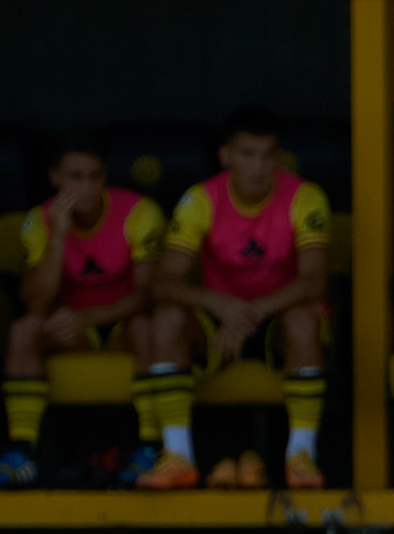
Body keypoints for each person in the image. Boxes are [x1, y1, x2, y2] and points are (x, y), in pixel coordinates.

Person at [138, 108, 332, 491]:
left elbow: (314, 281)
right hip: (219, 320)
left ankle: (301, 455)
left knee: (304, 318)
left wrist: (249, 312)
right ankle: (178, 456)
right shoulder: (200, 199)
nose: (259, 166)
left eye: (268, 155)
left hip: (276, 318)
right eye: (248, 154)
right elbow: (163, 283)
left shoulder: (305, 196)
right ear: (226, 156)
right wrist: (218, 304)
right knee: (166, 318)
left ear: (279, 158)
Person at [0, 129, 165, 489]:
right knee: (23, 330)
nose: (85, 188)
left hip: (121, 323)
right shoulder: (38, 220)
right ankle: (23, 452)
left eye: (94, 176)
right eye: (74, 177)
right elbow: (35, 302)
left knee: (147, 325)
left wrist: (88, 316)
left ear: (105, 176)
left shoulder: (139, 212)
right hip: (71, 329)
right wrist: (58, 236)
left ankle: (151, 447)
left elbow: (147, 295)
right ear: (55, 177)